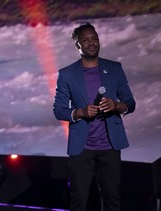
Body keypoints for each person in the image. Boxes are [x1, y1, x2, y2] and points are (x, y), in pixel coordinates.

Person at [53, 22, 136, 211]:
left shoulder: (114, 68)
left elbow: (130, 103)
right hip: (82, 148)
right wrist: (80, 112)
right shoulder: (66, 74)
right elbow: (58, 110)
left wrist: (116, 105)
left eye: (94, 38)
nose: (91, 43)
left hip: (110, 146)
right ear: (77, 44)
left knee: (112, 199)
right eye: (86, 40)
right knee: (79, 201)